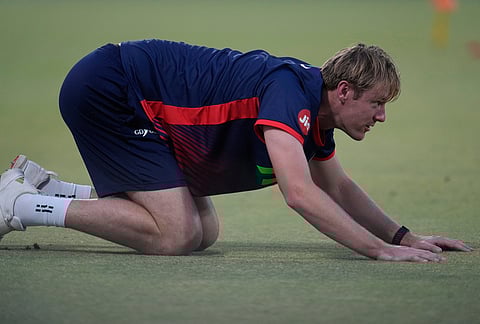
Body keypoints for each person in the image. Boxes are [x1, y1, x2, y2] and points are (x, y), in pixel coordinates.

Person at [0, 40, 472, 261]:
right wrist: (376, 251)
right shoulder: (292, 91)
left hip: (143, 105)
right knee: (175, 235)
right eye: (378, 104)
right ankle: (18, 203)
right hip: (114, 90)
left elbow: (340, 187)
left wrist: (404, 238)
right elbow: (300, 193)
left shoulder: (315, 118)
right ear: (345, 91)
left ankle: (52, 188)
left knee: (204, 231)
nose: (382, 116)